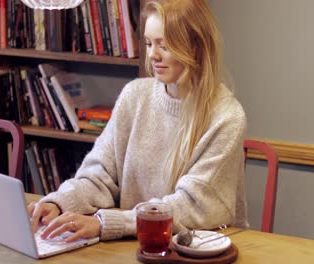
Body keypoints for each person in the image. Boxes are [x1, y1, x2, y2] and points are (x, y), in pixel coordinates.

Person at [28, 0, 248, 242]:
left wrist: (106, 223)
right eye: (148, 43)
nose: (152, 55)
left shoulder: (227, 117)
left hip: (197, 250)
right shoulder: (134, 96)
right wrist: (59, 203)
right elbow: (98, 174)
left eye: (164, 45)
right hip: (137, 244)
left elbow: (190, 206)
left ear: (196, 47)